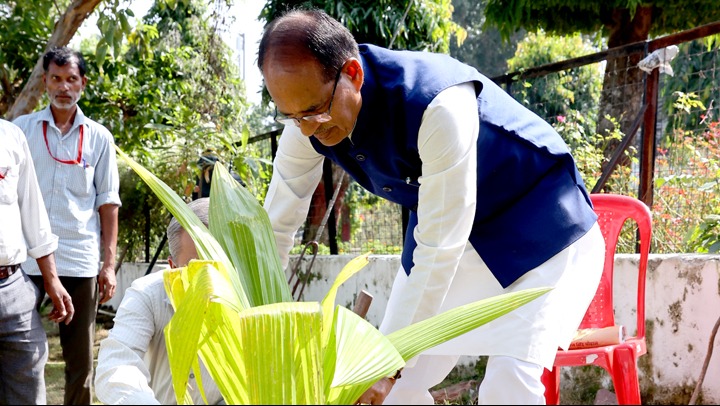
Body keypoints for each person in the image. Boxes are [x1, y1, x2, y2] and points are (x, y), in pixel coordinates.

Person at [258, 8, 606, 405]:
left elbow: (440, 248)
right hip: (457, 237)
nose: (307, 128)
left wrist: (386, 365)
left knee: (508, 385)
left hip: (545, 231)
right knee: (390, 393)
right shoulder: (307, 122)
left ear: (352, 74)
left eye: (315, 112)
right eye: (293, 117)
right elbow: (275, 228)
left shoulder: (436, 106)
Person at [12, 46, 122, 405]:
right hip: (25, 263)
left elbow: (108, 203)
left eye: (71, 79)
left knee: (80, 364)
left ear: (83, 84)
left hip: (79, 260)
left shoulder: (99, 138)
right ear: (45, 82)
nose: (63, 87)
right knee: (18, 356)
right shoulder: (20, 131)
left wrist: (108, 265)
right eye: (56, 79)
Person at [94, 197, 223, 405]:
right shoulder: (148, 294)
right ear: (172, 267)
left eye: (221, 265)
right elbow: (116, 368)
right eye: (197, 270)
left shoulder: (251, 301)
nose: (211, 280)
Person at [0, 118, 75, 405]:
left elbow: (33, 212)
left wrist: (51, 278)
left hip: (13, 288)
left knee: (29, 393)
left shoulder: (10, 136)